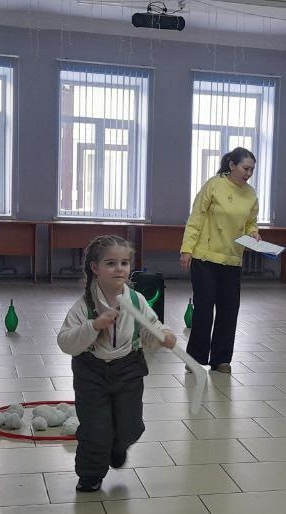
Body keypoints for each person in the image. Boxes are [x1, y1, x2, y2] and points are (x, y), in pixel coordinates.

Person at [57, 235, 176, 492]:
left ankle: (119, 444)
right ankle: (90, 474)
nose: (119, 269)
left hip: (129, 368)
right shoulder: (83, 306)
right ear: (95, 268)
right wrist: (94, 326)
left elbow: (150, 329)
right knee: (95, 428)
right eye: (110, 263)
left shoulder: (137, 301)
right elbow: (65, 342)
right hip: (91, 372)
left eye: (124, 263)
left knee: (130, 426)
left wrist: (162, 336)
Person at [179, 147, 261, 373]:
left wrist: (254, 232)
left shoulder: (251, 194)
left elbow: (250, 222)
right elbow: (196, 218)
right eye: (245, 168)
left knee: (228, 311)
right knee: (204, 310)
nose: (248, 173)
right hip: (204, 257)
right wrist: (187, 249)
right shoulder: (214, 185)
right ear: (232, 165)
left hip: (232, 260)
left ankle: (221, 359)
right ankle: (195, 359)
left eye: (252, 170)